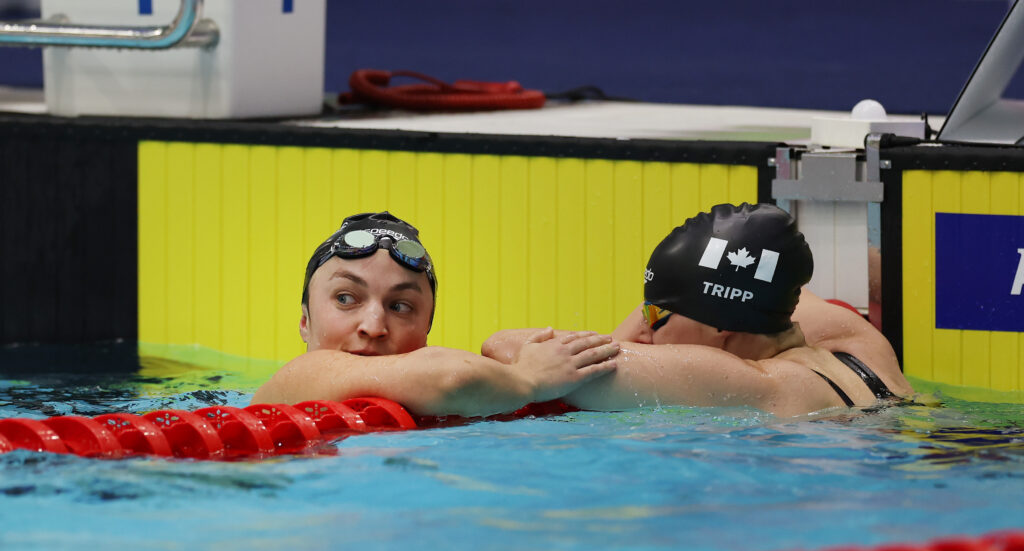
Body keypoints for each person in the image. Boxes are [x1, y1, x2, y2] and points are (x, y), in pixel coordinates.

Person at [482, 203, 913, 417]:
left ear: (720, 334)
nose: (644, 330)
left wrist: (621, 337)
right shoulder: (858, 344)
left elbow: (505, 347)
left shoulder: (749, 382)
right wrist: (666, 307)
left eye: (656, 318)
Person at [252, 211, 620, 417]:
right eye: (346, 299)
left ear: (426, 330)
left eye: (400, 307)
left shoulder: (464, 398)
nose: (373, 326)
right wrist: (528, 378)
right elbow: (450, 377)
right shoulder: (298, 379)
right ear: (304, 322)